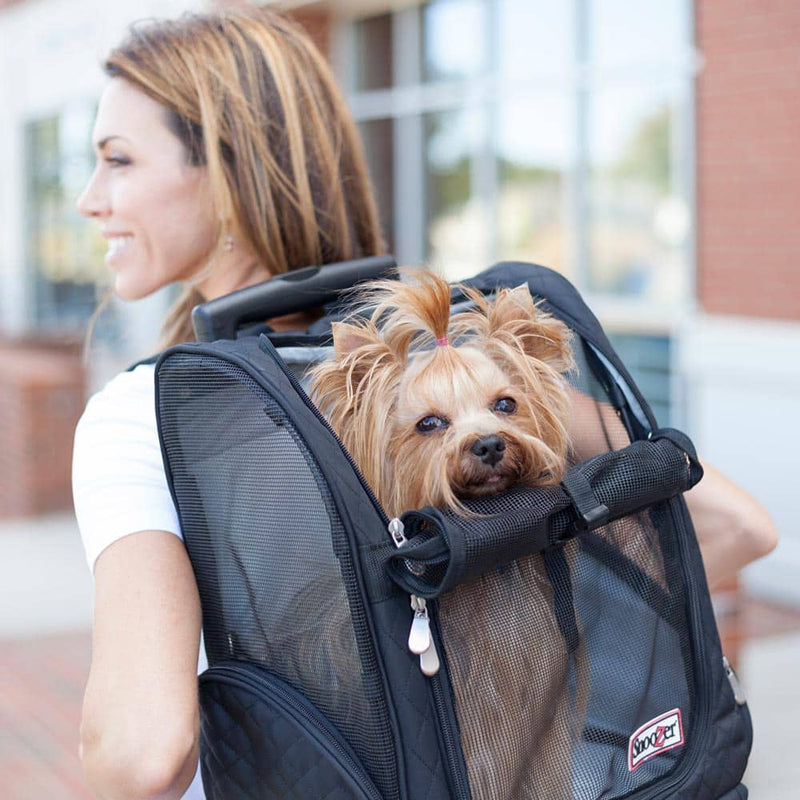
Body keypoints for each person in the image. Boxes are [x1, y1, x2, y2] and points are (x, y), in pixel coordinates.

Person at [72, 6, 777, 800]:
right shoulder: (465, 357)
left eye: (118, 161)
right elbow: (735, 526)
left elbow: (140, 753)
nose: (88, 199)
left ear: (231, 173)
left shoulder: (147, 417)